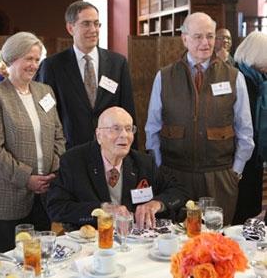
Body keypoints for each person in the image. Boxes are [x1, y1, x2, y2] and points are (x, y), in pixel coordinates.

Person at [145, 12, 254, 225]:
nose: (205, 43)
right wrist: (160, 170)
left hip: (219, 178)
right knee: (175, 240)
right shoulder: (164, 77)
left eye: (210, 36)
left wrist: (235, 173)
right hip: (175, 177)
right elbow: (152, 129)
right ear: (184, 39)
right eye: (198, 36)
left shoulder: (234, 77)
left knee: (215, 242)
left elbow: (245, 131)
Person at [0, 32, 65, 254]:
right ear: (11, 59)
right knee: (9, 264)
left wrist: (52, 170)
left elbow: (58, 135)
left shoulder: (45, 91)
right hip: (9, 196)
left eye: (37, 59)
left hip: (44, 194)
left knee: (41, 258)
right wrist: (27, 179)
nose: (34, 65)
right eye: (28, 58)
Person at [47, 107, 188, 230]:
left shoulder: (143, 162)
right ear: (99, 135)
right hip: (93, 242)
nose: (124, 135)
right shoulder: (73, 161)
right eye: (116, 129)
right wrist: (102, 209)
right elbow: (56, 207)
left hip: (134, 242)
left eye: (128, 129)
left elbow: (179, 191)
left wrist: (156, 204)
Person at [36, 0, 136, 149]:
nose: (93, 29)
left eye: (96, 24)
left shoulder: (118, 63)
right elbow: (46, 115)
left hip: (111, 150)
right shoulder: (52, 66)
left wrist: (132, 155)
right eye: (86, 24)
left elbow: (128, 110)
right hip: (69, 151)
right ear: (71, 28)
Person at [232, 31, 267, 224]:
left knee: (250, 205)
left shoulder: (259, 80)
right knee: (239, 206)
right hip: (238, 152)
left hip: (254, 153)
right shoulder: (239, 78)